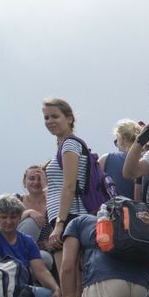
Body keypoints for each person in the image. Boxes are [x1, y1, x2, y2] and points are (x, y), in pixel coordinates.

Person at [41, 98, 94, 268]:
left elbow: (69, 186)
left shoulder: (70, 144)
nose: (49, 122)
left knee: (70, 275)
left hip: (70, 217)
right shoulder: (65, 145)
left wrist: (59, 224)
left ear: (69, 118)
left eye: (55, 116)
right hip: (66, 217)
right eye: (46, 118)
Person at [105, 119, 142, 204]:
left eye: (117, 140)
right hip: (141, 213)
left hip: (111, 212)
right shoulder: (148, 159)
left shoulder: (107, 159)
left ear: (122, 138)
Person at [18, 165, 49, 245]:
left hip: (42, 249)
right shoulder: (16, 200)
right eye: (32, 179)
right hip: (17, 245)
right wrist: (29, 213)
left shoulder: (52, 204)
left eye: (40, 179)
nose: (36, 182)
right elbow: (6, 222)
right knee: (31, 222)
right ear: (24, 182)